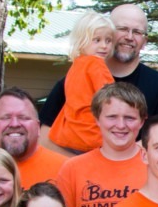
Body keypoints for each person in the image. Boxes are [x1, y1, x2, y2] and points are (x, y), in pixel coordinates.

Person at [37, 3, 158, 131]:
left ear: (144, 41)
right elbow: (44, 140)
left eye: (137, 32)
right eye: (122, 29)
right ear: (107, 31)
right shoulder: (73, 81)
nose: (129, 37)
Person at [54, 82, 149, 207]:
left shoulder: (155, 165)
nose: (120, 125)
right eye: (112, 117)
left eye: (130, 118)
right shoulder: (73, 169)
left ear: (142, 121)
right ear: (97, 119)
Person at [48, 11, 119, 152]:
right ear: (82, 41)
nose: (104, 46)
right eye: (97, 40)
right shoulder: (96, 64)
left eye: (108, 40)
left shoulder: (77, 65)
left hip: (70, 132)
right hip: (91, 133)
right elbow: (111, 98)